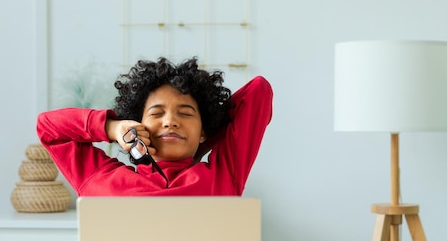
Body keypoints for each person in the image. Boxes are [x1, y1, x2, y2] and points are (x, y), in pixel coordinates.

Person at [36, 56, 272, 196]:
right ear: (139, 124)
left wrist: (200, 142)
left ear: (204, 130)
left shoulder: (224, 174)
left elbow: (258, 90)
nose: (170, 121)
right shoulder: (102, 179)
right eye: (157, 113)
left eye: (186, 113)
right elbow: (48, 127)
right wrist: (113, 129)